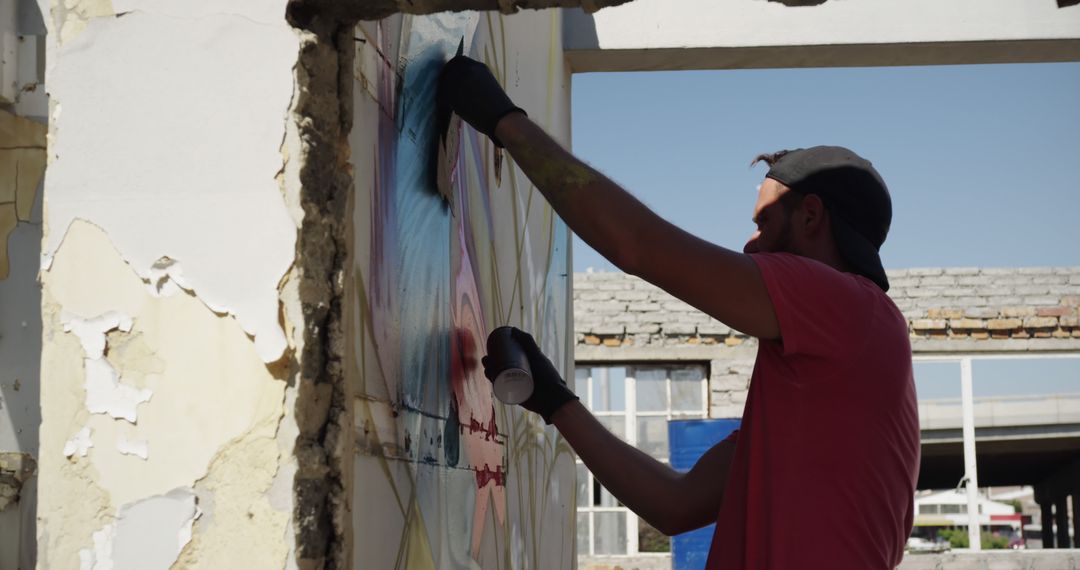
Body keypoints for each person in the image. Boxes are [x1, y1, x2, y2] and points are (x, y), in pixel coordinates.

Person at [441, 55, 920, 569]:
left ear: (810, 216)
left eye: (764, 222)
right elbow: (673, 504)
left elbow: (637, 246)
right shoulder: (829, 387)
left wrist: (503, 121)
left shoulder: (851, 306)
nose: (750, 245)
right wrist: (556, 401)